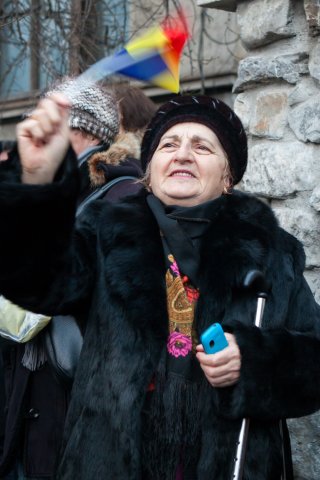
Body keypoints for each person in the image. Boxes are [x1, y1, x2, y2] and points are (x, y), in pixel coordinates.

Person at [0, 93, 320, 480]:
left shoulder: (271, 251)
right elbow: (39, 283)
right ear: (149, 171)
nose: (183, 154)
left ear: (228, 176)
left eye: (202, 146)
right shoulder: (106, 231)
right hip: (110, 460)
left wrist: (253, 362)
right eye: (169, 144)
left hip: (231, 463)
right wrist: (34, 183)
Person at [0, 78, 143, 480]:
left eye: (46, 123)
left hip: (75, 403)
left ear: (76, 130)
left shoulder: (121, 200)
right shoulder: (67, 190)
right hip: (35, 393)